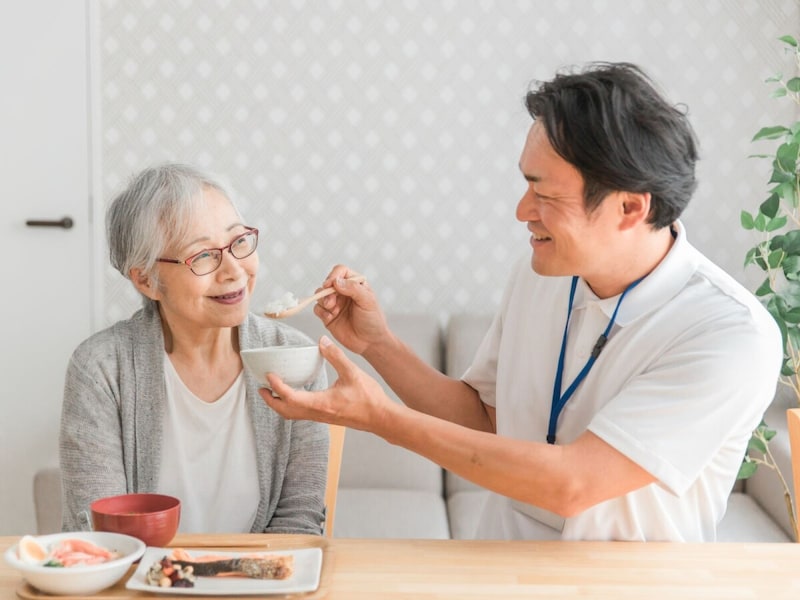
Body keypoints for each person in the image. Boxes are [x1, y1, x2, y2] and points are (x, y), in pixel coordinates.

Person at [260, 62, 783, 542]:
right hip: (497, 571)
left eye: (545, 195)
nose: (520, 211)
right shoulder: (543, 275)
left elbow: (574, 484)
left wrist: (383, 420)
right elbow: (485, 419)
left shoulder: (730, 334)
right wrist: (377, 344)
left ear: (629, 206)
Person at [60, 163, 329, 535]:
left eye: (238, 242)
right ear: (145, 279)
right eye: (202, 255)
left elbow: (299, 522)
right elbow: (102, 534)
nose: (234, 270)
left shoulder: (296, 359)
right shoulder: (102, 369)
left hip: (261, 588)